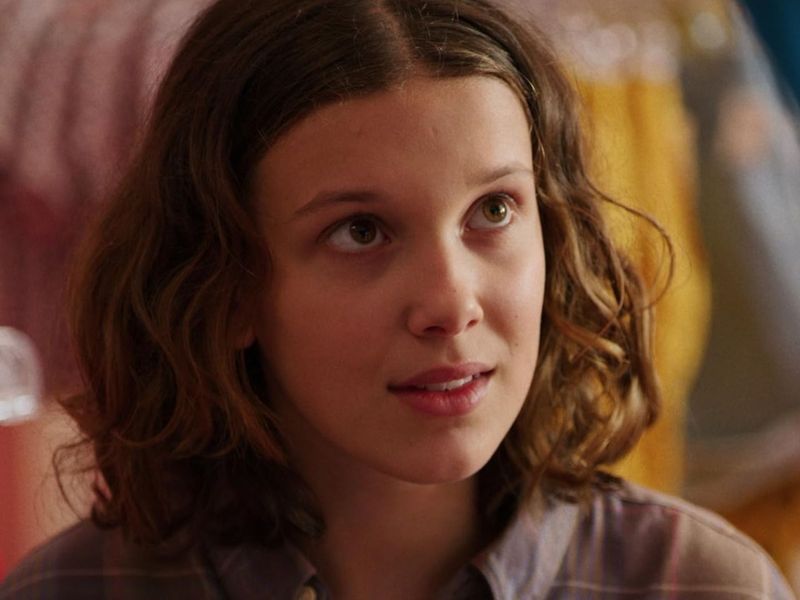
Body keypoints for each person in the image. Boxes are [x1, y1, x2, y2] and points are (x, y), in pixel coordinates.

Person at [0, 0, 793, 598]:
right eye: (361, 232)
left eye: (494, 211)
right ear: (227, 286)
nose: (450, 302)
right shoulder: (72, 591)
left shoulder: (698, 585)